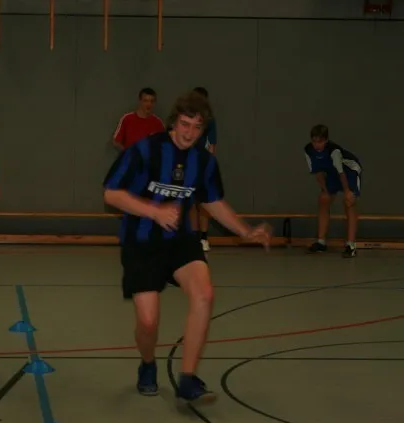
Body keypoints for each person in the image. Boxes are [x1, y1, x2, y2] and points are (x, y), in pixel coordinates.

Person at [102, 91, 271, 404]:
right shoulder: (145, 150)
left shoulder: (204, 162)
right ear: (173, 122)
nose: (189, 132)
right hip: (142, 242)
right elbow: (111, 194)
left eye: (196, 127)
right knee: (148, 322)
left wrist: (246, 231)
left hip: (180, 239)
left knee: (204, 293)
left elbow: (213, 202)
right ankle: (148, 364)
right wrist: (155, 212)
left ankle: (188, 379)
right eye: (184, 124)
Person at [304, 124, 361, 258]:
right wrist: (326, 191)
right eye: (314, 141)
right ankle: (321, 242)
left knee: (349, 202)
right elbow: (318, 173)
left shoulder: (334, 151)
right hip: (332, 173)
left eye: (320, 142)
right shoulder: (308, 150)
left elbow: (342, 174)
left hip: (349, 172)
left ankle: (351, 245)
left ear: (326, 140)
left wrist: (347, 192)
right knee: (323, 199)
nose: (316, 145)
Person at [189, 87, 218, 252]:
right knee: (191, 203)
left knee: (204, 203)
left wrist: (209, 167)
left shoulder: (210, 121)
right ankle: (193, 237)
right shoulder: (186, 119)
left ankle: (204, 237)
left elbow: (212, 145)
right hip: (189, 165)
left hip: (203, 165)